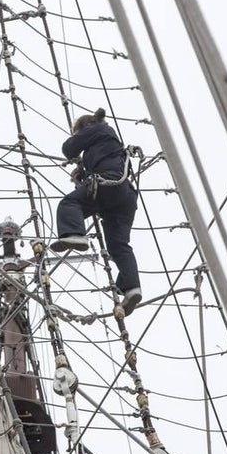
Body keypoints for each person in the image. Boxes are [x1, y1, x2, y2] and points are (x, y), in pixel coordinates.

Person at [51, 109, 142, 315]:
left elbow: (69, 148)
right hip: (124, 196)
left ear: (83, 128)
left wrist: (77, 141)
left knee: (69, 204)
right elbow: (97, 168)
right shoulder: (106, 143)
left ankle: (76, 235)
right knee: (118, 245)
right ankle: (131, 287)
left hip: (109, 185)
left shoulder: (98, 129)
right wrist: (80, 175)